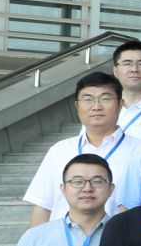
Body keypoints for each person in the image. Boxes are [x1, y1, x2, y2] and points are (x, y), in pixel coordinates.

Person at [24, 71, 129, 225]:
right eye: (88, 99)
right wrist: (36, 239)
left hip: (116, 239)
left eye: (105, 99)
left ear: (120, 104)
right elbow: (42, 206)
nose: (96, 106)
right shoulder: (59, 151)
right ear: (77, 106)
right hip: (61, 239)